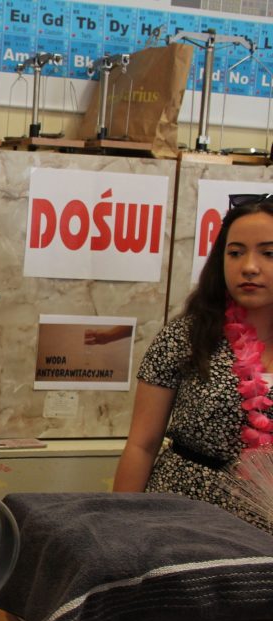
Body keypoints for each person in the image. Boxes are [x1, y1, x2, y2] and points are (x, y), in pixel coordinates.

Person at [113, 194, 273, 533]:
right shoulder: (186, 336)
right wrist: (119, 526)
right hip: (182, 516)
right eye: (235, 252)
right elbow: (142, 445)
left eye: (268, 253)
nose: (249, 266)